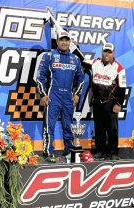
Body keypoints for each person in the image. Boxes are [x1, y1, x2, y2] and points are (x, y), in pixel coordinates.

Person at [36, 32, 85, 163]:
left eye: (66, 40)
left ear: (70, 42)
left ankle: (69, 151)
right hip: (53, 96)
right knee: (49, 125)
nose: (64, 42)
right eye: (61, 40)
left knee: (68, 126)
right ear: (57, 42)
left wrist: (77, 93)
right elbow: (40, 77)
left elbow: (81, 78)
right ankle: (48, 152)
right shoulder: (49, 56)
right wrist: (43, 94)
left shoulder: (75, 59)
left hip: (68, 96)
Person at [86, 43, 127, 160]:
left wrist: (119, 103)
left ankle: (113, 152)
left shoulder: (119, 68)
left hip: (111, 103)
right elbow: (80, 58)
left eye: (109, 52)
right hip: (97, 102)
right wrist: (75, 45)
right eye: (105, 51)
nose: (107, 54)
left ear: (113, 53)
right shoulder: (95, 62)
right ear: (102, 52)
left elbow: (123, 87)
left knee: (112, 129)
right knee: (99, 128)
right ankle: (100, 150)